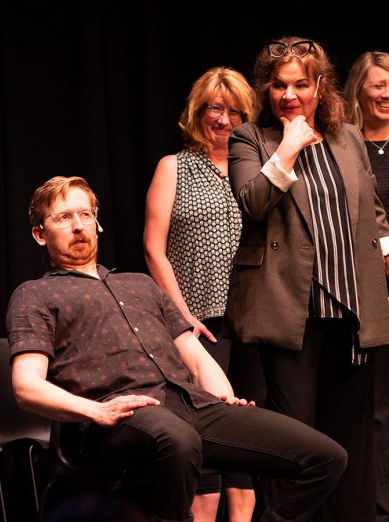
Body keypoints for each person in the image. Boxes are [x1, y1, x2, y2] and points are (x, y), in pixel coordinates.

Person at [7, 175, 347, 522]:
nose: (78, 225)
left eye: (85, 214)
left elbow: (194, 355)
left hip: (190, 405)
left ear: (98, 223)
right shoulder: (34, 295)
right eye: (64, 217)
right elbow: (26, 387)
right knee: (179, 441)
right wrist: (96, 412)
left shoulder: (140, 284)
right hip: (120, 415)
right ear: (40, 233)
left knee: (325, 457)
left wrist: (223, 397)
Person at [226, 38, 389, 522]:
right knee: (298, 443)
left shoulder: (349, 138)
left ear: (321, 87)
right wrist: (289, 150)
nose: (289, 94)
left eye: (300, 83)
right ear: (266, 89)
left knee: (350, 444)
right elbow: (253, 201)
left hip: (352, 312)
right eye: (279, 85)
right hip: (291, 316)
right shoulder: (250, 138)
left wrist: (385, 252)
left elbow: (373, 214)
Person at [144, 67, 255, 521]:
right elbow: (153, 248)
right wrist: (181, 315)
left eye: (235, 111)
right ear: (198, 111)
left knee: (250, 429)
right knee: (207, 428)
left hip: (255, 320)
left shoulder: (257, 168)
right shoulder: (175, 167)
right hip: (197, 322)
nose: (224, 119)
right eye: (215, 107)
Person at [345, 50, 389, 522]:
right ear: (360, 88)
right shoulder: (348, 143)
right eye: (379, 84)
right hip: (369, 285)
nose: (386, 94)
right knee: (377, 402)